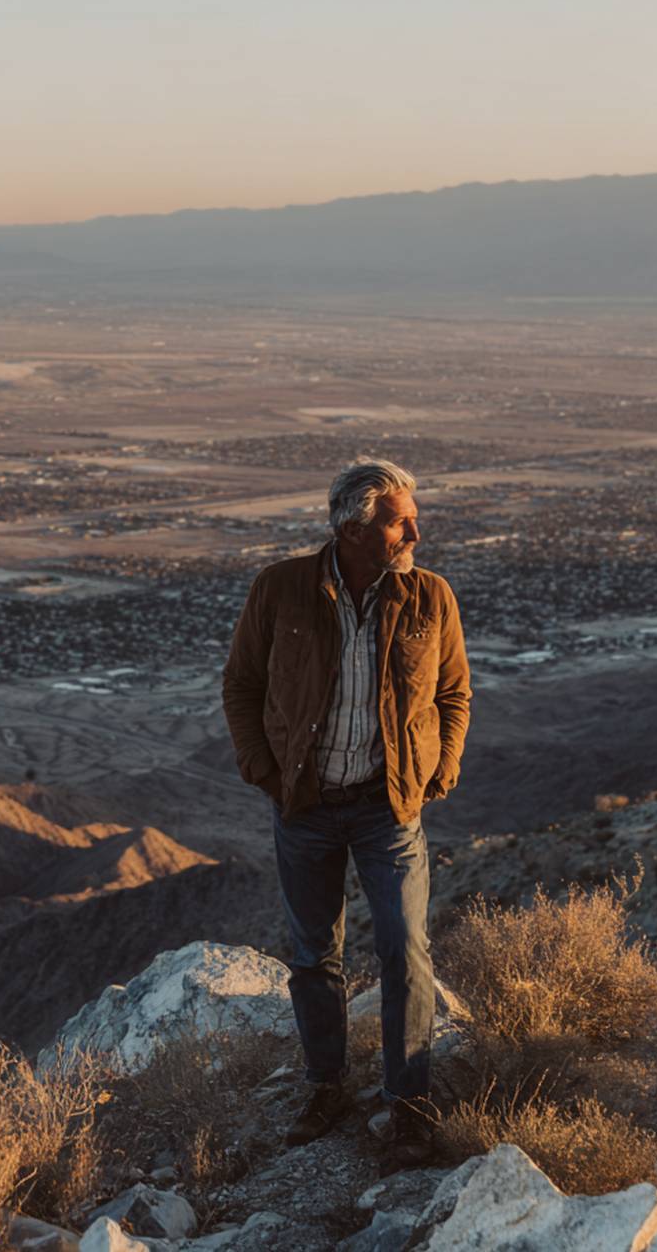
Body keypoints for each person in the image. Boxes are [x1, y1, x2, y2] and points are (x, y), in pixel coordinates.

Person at [221, 457, 471, 1165]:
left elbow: (455, 694)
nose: (416, 529)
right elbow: (241, 684)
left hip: (388, 807)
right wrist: (261, 770)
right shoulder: (282, 589)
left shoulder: (430, 597)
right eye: (400, 520)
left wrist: (439, 770)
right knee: (313, 957)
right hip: (304, 804)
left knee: (405, 949)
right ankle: (327, 1086)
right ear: (353, 527)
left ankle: (410, 1103)